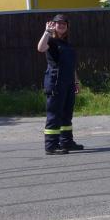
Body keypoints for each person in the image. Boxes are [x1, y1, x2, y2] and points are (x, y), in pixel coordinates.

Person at [36, 14, 84, 154]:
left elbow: (71, 66)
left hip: (68, 83)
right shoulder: (50, 41)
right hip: (55, 83)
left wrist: (76, 81)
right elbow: (40, 48)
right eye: (58, 23)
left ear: (67, 26)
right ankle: (51, 146)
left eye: (64, 23)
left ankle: (66, 142)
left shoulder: (67, 44)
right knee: (54, 114)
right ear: (54, 25)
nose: (61, 25)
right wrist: (47, 32)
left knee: (66, 114)